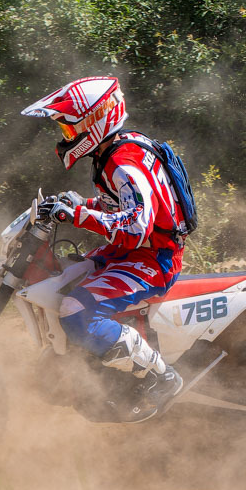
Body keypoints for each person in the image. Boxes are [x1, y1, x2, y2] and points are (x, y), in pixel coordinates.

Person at [20, 75, 187, 417]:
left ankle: (162, 376)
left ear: (96, 120)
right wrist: (80, 204)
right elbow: (123, 206)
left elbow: (137, 226)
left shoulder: (123, 162)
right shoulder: (117, 149)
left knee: (76, 311)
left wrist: (78, 215)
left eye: (71, 128)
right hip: (132, 252)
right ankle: (93, 369)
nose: (68, 136)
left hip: (152, 259)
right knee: (65, 276)